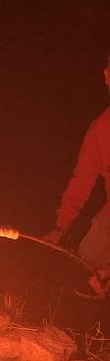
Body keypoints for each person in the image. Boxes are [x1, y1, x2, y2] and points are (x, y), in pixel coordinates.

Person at [44, 52, 110, 295]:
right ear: (107, 76)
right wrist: (60, 228)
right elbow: (81, 182)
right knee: (85, 267)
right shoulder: (101, 129)